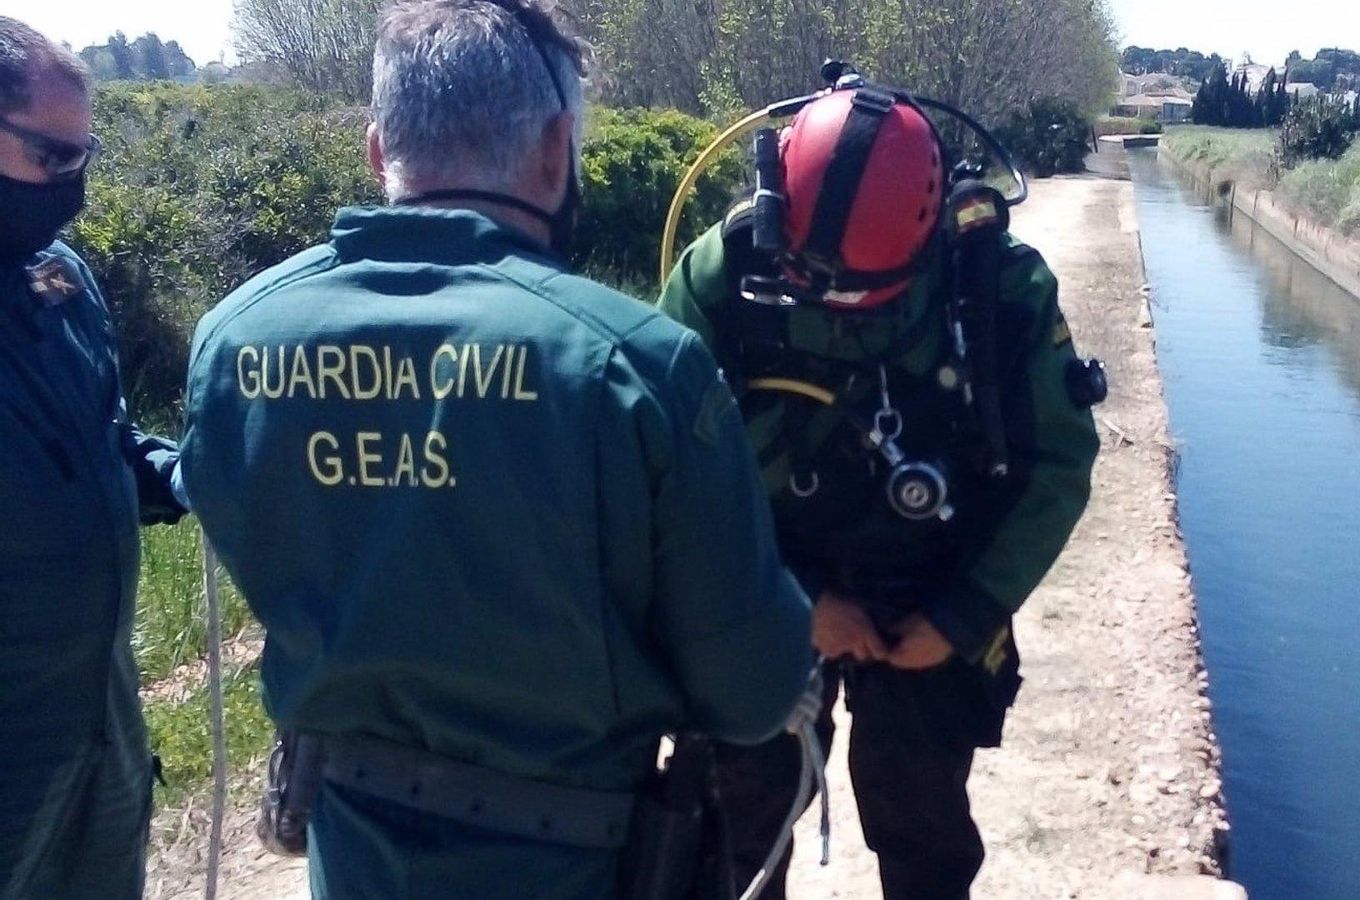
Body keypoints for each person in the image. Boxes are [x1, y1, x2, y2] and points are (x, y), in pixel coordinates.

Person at [179, 1, 813, 897]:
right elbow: (750, 693)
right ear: (557, 150)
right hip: (582, 862)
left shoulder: (233, 342)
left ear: (376, 151)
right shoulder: (634, 364)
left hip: (353, 851)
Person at [658, 79, 1103, 899]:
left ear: (930, 236)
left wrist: (965, 615)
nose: (838, 304)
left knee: (918, 812)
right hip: (766, 579)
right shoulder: (721, 278)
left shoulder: (999, 292)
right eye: (814, 285)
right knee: (737, 816)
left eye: (866, 293)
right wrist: (794, 600)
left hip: (934, 588)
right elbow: (672, 485)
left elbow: (1057, 465)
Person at [0, 17, 187, 900]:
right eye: (52, 158)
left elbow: (106, 443)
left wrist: (188, 472)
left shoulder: (60, 282)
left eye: (86, 156)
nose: (74, 184)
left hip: (97, 715)